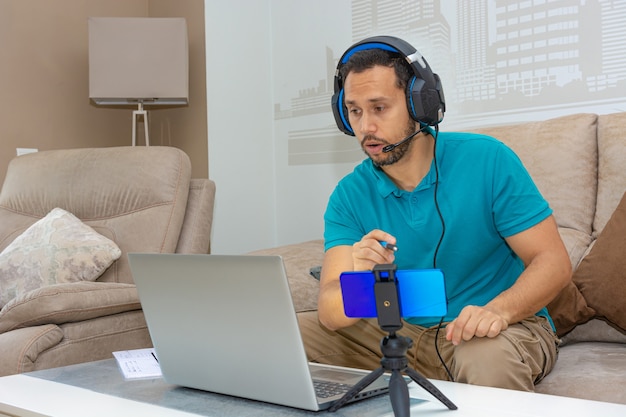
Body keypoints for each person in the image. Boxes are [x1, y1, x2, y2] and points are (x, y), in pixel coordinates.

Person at [297, 35, 572, 391]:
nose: (365, 127)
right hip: (398, 330)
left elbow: (553, 262)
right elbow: (331, 312)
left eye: (379, 108)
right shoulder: (349, 194)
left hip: (494, 329)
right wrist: (359, 279)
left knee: (485, 357)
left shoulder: (488, 159)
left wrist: (498, 311)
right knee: (284, 338)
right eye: (354, 111)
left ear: (419, 103)